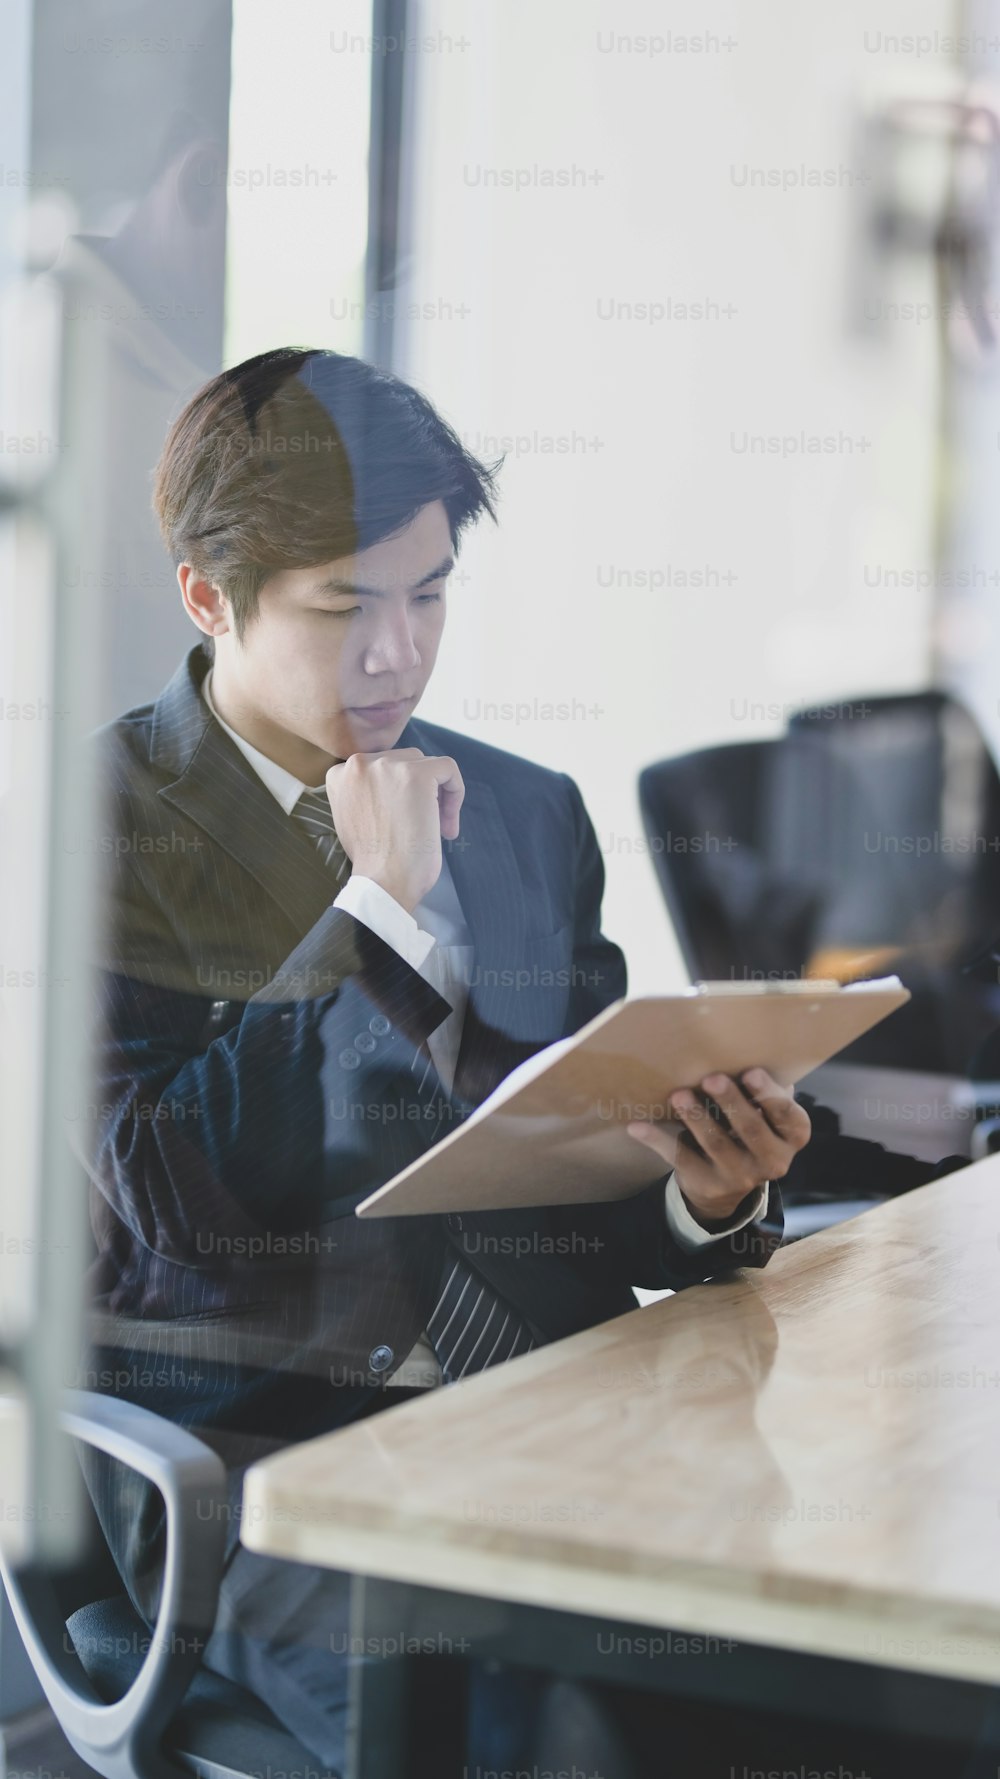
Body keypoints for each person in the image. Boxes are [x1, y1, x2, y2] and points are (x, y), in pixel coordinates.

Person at [78, 346, 813, 1774]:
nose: (396, 653)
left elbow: (577, 1147)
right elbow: (171, 1194)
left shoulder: (529, 811)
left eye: (427, 598)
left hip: (564, 1419)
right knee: (566, 1743)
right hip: (277, 1474)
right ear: (206, 597)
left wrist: (701, 1192)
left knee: (831, 1685)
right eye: (344, 609)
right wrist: (376, 912)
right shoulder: (86, 827)